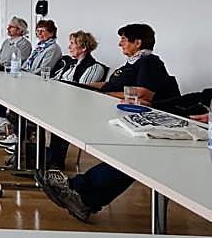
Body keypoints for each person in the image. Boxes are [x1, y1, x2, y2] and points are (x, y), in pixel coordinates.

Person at [38, 23, 178, 222]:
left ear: (138, 43)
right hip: (124, 115)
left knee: (130, 157)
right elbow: (110, 85)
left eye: (124, 39)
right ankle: (79, 193)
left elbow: (142, 93)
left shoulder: (149, 62)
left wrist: (103, 94)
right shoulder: (131, 64)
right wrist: (83, 87)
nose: (120, 43)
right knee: (126, 157)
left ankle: (77, 190)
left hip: (150, 124)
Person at [0, 20, 63, 154]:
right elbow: (26, 64)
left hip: (38, 88)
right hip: (28, 81)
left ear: (52, 32)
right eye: (37, 31)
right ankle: (17, 136)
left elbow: (44, 69)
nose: (39, 33)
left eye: (43, 30)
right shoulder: (40, 46)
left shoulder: (53, 48)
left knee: (17, 107)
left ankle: (20, 140)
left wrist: (23, 73)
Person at [43, 31, 108, 169]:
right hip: (60, 102)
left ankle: (55, 161)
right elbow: (55, 81)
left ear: (83, 47)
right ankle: (40, 155)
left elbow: (80, 90)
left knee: (57, 116)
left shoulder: (95, 68)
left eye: (72, 43)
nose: (69, 47)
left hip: (77, 109)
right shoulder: (69, 64)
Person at [0, 17, 32, 134]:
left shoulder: (24, 44)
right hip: (0, 71)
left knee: (0, 86)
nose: (8, 28)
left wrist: (2, 66)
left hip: (12, 74)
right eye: (8, 26)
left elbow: (20, 61)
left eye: (11, 26)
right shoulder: (6, 42)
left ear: (20, 30)